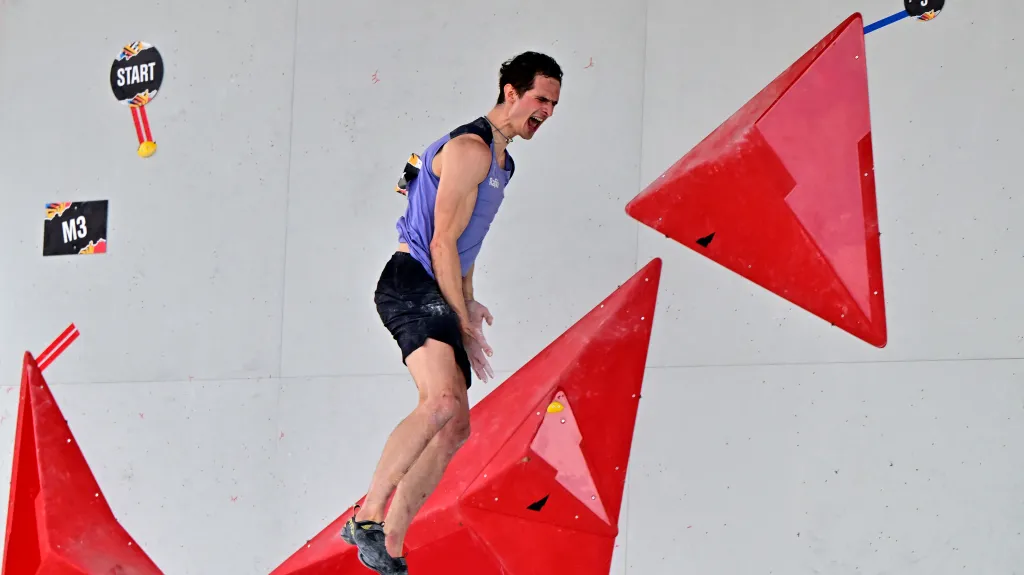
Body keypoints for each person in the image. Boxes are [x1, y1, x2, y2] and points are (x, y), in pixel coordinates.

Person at [339, 51, 562, 574]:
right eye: (540, 99)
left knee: (454, 426)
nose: (548, 111)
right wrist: (457, 314)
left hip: (436, 284)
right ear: (510, 91)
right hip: (410, 282)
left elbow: (465, 245)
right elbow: (440, 242)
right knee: (439, 402)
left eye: (553, 104)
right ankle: (366, 518)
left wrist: (468, 296)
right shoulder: (470, 149)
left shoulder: (504, 163)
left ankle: (388, 547)